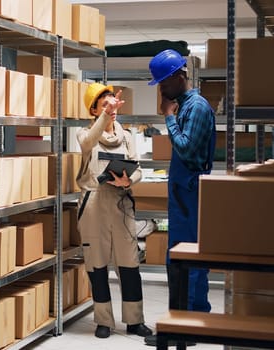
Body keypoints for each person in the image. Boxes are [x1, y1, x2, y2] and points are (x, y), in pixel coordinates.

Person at [143, 49, 216, 347]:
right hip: (183, 192)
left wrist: (169, 119)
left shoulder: (196, 107)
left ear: (178, 76)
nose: (161, 89)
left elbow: (185, 149)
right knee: (185, 259)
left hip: (191, 191)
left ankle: (187, 326)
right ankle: (190, 321)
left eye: (163, 83)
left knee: (186, 259)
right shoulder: (184, 104)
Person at [76, 83, 153, 339]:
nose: (111, 109)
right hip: (94, 207)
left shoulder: (128, 137)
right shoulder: (85, 135)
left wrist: (129, 181)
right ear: (94, 110)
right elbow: (88, 142)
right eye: (104, 104)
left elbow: (139, 168)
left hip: (121, 205)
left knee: (130, 265)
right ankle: (103, 321)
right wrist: (104, 118)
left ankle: (134, 320)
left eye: (113, 104)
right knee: (97, 266)